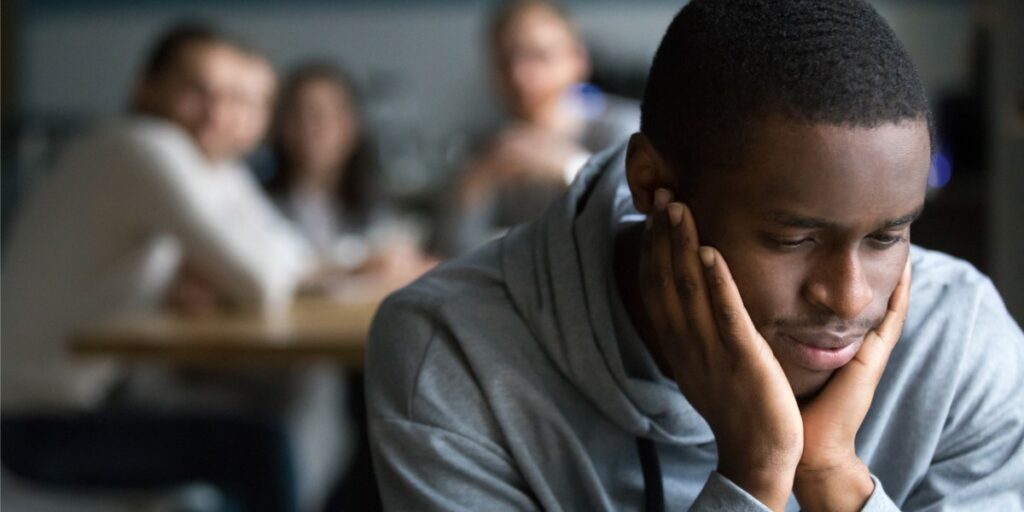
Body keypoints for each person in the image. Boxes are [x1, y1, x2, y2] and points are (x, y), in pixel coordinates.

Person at [366, 1, 1024, 510]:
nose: (849, 299)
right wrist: (756, 472)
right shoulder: (454, 352)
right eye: (794, 239)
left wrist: (834, 481)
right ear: (653, 186)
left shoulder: (959, 338)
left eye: (887, 238)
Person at [1, 23, 323, 512]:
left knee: (270, 418)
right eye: (196, 90)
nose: (218, 113)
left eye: (237, 99)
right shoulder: (142, 147)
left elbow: (296, 259)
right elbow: (263, 280)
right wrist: (228, 278)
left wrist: (229, 277)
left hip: (94, 401)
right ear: (144, 86)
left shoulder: (196, 161)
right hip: (37, 427)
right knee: (261, 445)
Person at [448, 0, 638, 254]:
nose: (520, 76)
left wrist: (570, 167)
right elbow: (452, 251)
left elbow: (635, 226)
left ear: (577, 60)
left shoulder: (624, 129)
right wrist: (474, 186)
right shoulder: (486, 149)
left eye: (539, 56)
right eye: (506, 61)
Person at [267, 62, 436, 290]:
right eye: (300, 113)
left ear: (351, 125)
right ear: (281, 126)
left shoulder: (376, 203)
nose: (313, 128)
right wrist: (355, 267)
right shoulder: (257, 205)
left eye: (326, 114)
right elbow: (273, 270)